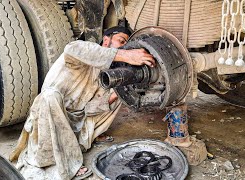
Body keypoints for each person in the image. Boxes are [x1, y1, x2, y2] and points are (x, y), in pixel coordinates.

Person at [9, 26, 156, 180]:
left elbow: (91, 109)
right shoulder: (84, 50)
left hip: (76, 122)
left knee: (121, 94)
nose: (124, 46)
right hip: (48, 116)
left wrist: (114, 96)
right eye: (121, 41)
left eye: (126, 44)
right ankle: (59, 161)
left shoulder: (107, 74)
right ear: (106, 40)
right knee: (50, 96)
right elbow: (72, 49)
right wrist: (126, 55)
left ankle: (79, 143)